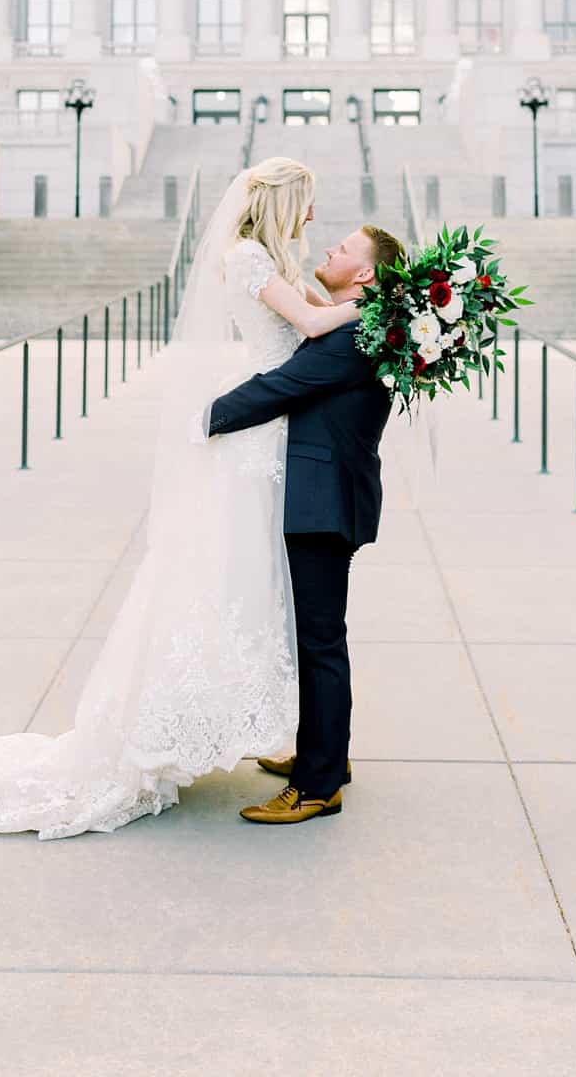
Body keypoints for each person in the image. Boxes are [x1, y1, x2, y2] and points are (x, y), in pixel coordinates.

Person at [0, 157, 359, 840]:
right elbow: (316, 328)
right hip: (259, 438)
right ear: (284, 201)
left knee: (262, 588)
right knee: (229, 579)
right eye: (309, 203)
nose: (314, 217)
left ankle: (305, 747)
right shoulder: (245, 260)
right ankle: (198, 730)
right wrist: (389, 304)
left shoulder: (274, 259)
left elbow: (317, 321)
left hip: (278, 441)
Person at [202, 221, 405, 825]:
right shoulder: (358, 323)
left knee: (319, 641)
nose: (330, 250)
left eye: (343, 249)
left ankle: (317, 787)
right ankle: (324, 758)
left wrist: (200, 421)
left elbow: (280, 387)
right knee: (316, 638)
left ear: (364, 274)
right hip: (325, 497)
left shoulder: (355, 336)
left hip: (322, 505)